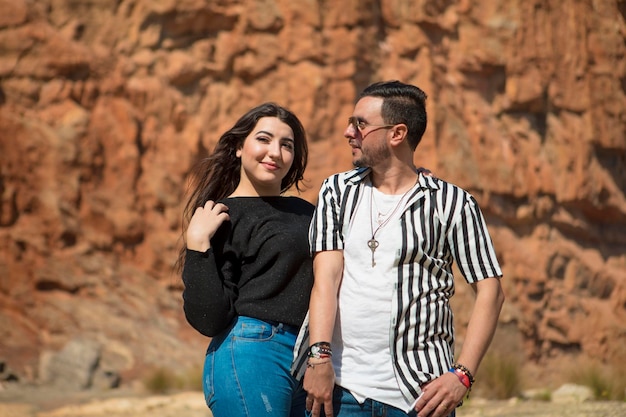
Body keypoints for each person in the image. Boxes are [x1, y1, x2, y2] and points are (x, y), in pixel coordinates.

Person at [292, 81, 505, 417]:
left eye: (360, 124)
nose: (349, 132)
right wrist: (319, 358)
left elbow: (490, 290)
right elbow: (327, 279)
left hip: (421, 396)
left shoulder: (452, 203)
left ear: (397, 133)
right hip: (341, 392)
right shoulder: (336, 192)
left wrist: (462, 375)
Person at [178, 102, 314, 417]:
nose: (275, 152)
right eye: (263, 139)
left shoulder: (308, 212)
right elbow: (209, 318)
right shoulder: (219, 215)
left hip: (310, 357)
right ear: (239, 147)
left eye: (286, 145)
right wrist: (197, 244)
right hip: (252, 352)